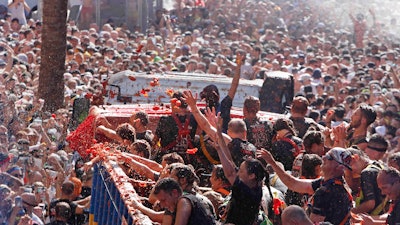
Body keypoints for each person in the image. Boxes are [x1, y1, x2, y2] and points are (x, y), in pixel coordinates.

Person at [257, 147, 353, 224]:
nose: (323, 157)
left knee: (291, 213)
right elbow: (293, 183)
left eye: (329, 157)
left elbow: (315, 222)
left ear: (339, 167)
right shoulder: (334, 183)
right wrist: (272, 163)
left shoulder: (326, 192)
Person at [152, 178, 216, 225]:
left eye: (163, 200)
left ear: (175, 193)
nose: (163, 205)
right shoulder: (175, 205)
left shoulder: (183, 201)